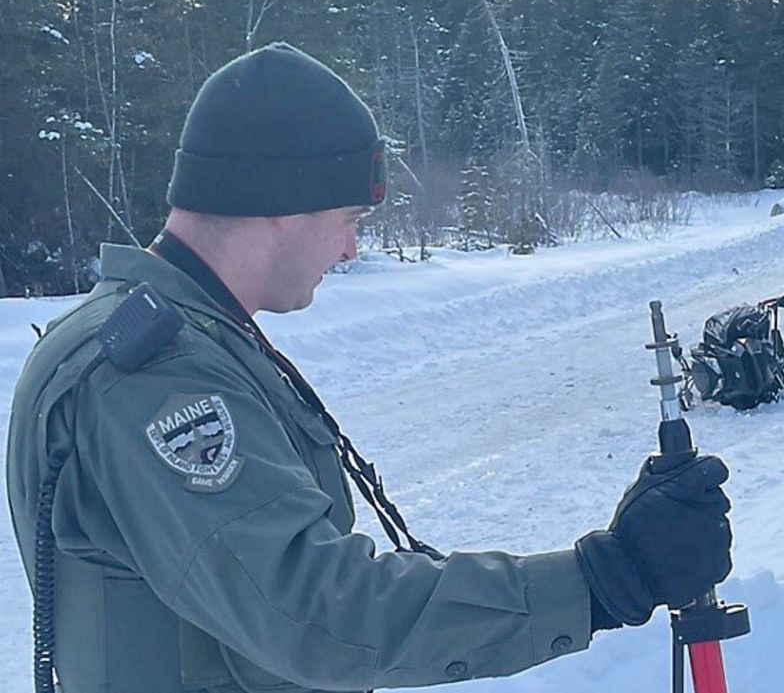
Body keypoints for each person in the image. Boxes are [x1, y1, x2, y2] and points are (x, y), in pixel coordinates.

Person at [6, 42, 733, 692]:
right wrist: (601, 578)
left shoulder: (176, 339)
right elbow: (315, 607)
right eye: (350, 219)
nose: (351, 250)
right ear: (281, 202)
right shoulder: (155, 377)